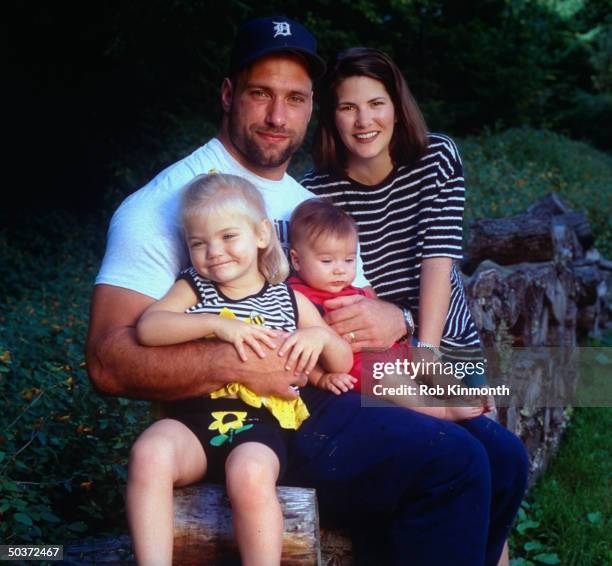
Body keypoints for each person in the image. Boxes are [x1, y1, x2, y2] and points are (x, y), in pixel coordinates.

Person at [86, 16, 528, 566]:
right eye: (260, 94)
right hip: (263, 422)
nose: (277, 115)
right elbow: (108, 362)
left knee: (504, 455)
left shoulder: (311, 207)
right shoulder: (164, 204)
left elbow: (364, 337)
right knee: (452, 462)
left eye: (295, 98)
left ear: (311, 106)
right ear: (228, 95)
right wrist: (239, 362)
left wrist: (422, 353)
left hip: (344, 386)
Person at [300, 46, 526, 564]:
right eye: (346, 107)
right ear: (330, 118)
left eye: (376, 103)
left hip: (444, 340)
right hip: (373, 361)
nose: (363, 121)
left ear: (397, 107)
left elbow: (438, 256)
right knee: (438, 473)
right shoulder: (316, 191)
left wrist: (421, 341)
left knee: (497, 463)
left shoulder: (436, 158)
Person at [129, 173, 352, 565]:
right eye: (199, 243)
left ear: (261, 234)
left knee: (250, 476)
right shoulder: (194, 287)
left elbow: (342, 360)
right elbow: (149, 327)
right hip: (193, 421)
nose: (214, 251)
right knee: (149, 452)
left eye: (228, 236)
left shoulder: (288, 299)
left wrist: (320, 339)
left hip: (261, 427)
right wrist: (215, 323)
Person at [287, 197, 485, 421]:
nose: (339, 270)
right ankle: (440, 411)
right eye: (327, 261)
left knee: (424, 360)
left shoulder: (354, 289)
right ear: (296, 260)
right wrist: (321, 378)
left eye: (349, 260)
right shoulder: (298, 297)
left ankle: (460, 394)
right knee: (393, 381)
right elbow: (299, 350)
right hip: (356, 364)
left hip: (388, 349)